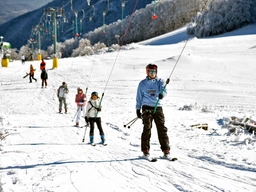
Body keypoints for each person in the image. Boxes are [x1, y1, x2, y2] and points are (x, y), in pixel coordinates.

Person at [136, 64, 170, 158]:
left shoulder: (160, 81)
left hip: (157, 107)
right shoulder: (142, 84)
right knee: (147, 128)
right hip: (146, 107)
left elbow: (164, 90)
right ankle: (145, 150)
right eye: (150, 72)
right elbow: (139, 97)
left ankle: (166, 150)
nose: (152, 74)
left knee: (162, 128)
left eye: (154, 72)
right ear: (147, 72)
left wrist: (161, 95)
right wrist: (138, 109)